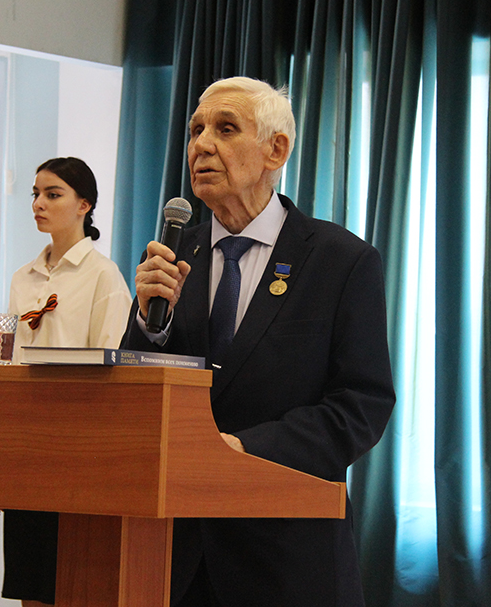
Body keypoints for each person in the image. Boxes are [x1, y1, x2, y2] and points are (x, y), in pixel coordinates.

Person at [122, 77, 396, 607]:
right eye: (196, 130)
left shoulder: (341, 260)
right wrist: (150, 323)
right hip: (176, 560)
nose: (202, 145)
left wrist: (246, 449)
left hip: (287, 560)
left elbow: (361, 406)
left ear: (277, 149)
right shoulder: (174, 256)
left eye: (225, 129)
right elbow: (137, 395)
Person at [2, 156, 132, 607]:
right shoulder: (23, 278)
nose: (38, 203)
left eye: (52, 194)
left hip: (77, 453)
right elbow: (11, 371)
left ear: (84, 205)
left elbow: (111, 374)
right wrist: (4, 463)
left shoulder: (104, 276)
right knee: (31, 588)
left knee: (75, 587)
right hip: (27, 450)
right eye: (35, 194)